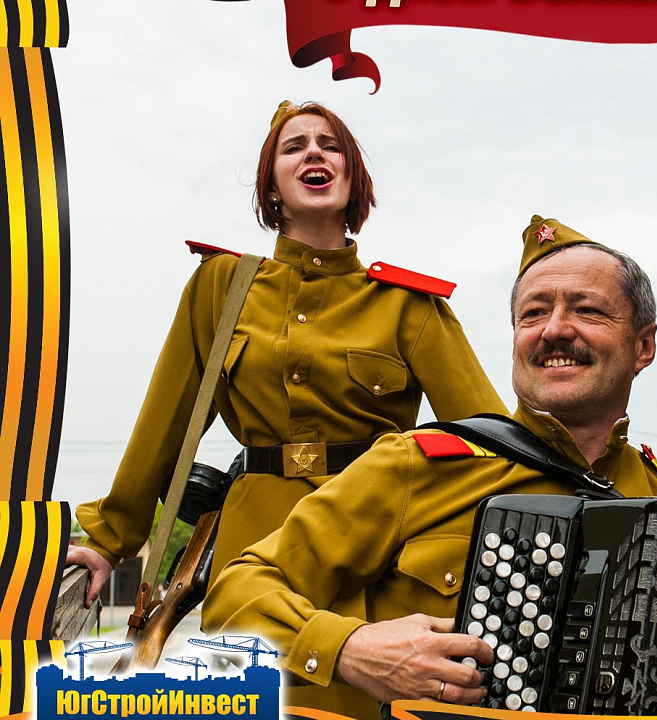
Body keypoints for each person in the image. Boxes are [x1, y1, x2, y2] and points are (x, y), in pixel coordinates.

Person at [202, 216, 657, 717]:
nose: (555, 330)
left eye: (587, 310)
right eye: (533, 314)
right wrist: (348, 647)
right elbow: (236, 595)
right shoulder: (417, 464)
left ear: (643, 346)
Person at [67, 101, 506, 605]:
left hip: (376, 547)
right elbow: (165, 423)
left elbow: (489, 443)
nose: (313, 153)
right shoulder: (220, 287)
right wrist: (107, 541)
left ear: (351, 178)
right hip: (249, 549)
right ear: (271, 186)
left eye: (330, 146)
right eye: (293, 147)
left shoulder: (408, 303)